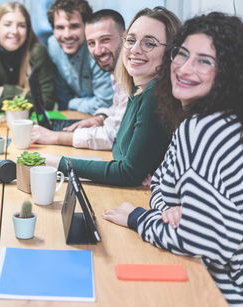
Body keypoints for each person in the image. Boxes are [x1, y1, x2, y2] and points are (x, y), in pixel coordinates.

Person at [103, 13, 243, 305]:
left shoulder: (206, 130)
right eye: (182, 55)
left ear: (228, 73)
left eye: (205, 61)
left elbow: (194, 239)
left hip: (222, 292)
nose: (185, 68)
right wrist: (175, 208)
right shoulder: (202, 121)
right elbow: (160, 189)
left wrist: (138, 217)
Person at [46, 7, 181, 187]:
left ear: (171, 52)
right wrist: (129, 168)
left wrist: (59, 164)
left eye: (149, 43)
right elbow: (118, 146)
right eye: (131, 40)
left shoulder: (155, 93)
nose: (135, 49)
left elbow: (127, 172)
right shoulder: (138, 87)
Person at [33, 9, 127, 150]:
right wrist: (100, 118)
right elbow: (118, 108)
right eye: (91, 43)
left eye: (105, 39)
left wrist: (55, 137)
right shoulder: (116, 71)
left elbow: (113, 136)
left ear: (125, 36)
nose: (98, 51)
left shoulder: (133, 72)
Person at [0, 2, 56, 112]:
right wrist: (26, 94)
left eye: (21, 25)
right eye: (7, 24)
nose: (14, 31)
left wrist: (5, 91)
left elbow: (47, 102)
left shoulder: (37, 52)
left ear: (27, 31)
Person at [46, 0, 113, 112]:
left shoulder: (98, 51)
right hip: (76, 114)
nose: (67, 35)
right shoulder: (53, 45)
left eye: (74, 26)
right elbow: (62, 92)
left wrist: (72, 103)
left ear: (87, 27)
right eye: (60, 27)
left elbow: (105, 102)